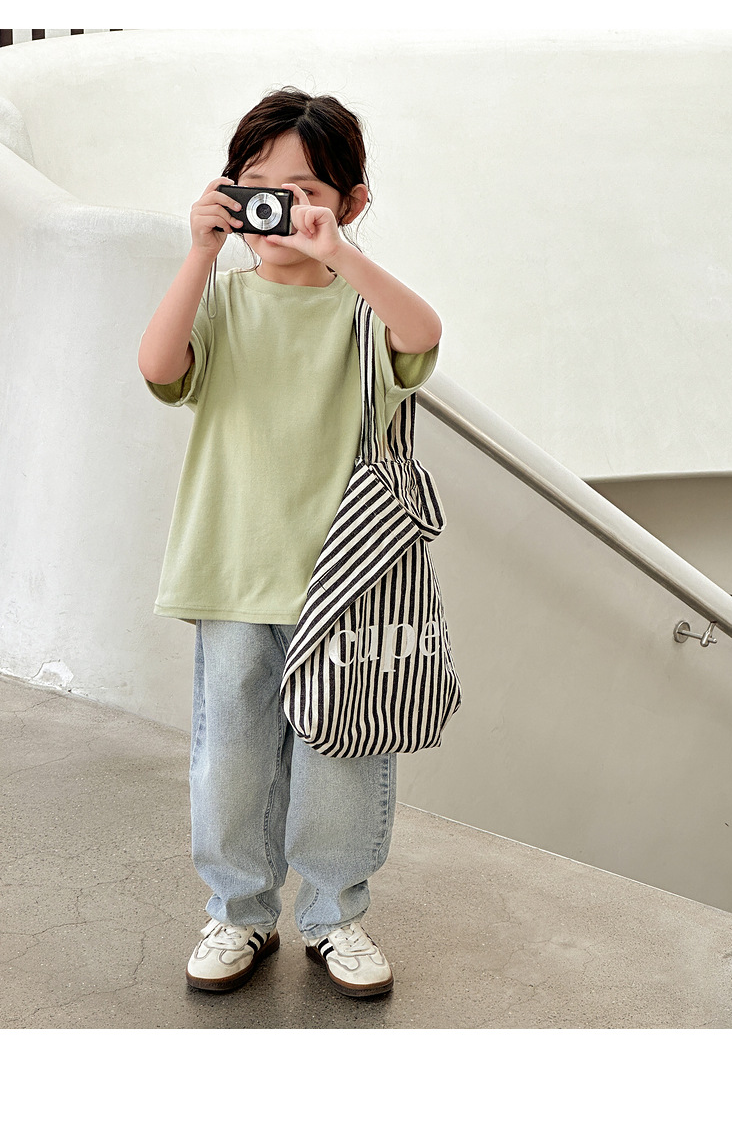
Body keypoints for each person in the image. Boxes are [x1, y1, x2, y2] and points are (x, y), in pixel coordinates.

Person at [138, 87, 441, 999]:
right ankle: (239, 912)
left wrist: (338, 253)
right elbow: (159, 367)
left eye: (304, 191)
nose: (279, 209)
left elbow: (422, 334)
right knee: (230, 762)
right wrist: (199, 251)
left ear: (351, 201)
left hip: (345, 587)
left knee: (341, 760)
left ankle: (336, 916)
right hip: (232, 571)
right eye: (257, 187)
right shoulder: (224, 300)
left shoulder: (361, 310)